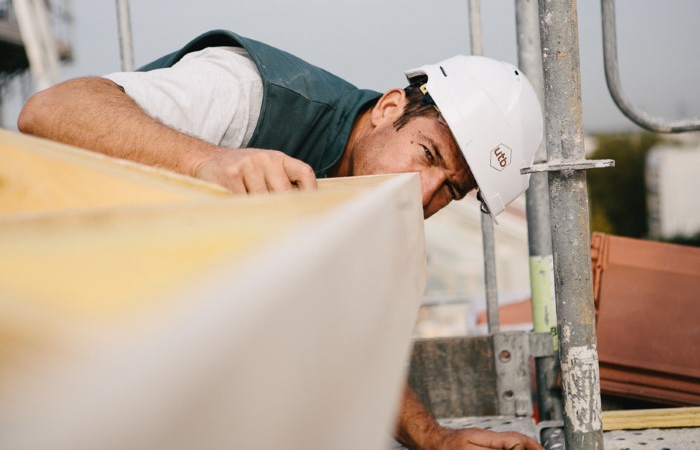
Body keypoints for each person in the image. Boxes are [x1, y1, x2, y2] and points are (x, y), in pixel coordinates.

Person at [18, 29, 544, 449]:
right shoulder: (248, 92)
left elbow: (345, 344)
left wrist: (434, 439)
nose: (423, 191)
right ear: (389, 109)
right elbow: (47, 110)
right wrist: (208, 160)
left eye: (451, 189)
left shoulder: (374, 211)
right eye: (428, 154)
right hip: (34, 322)